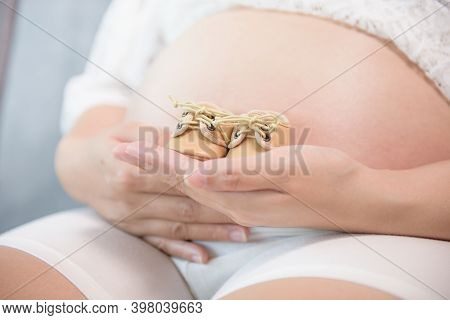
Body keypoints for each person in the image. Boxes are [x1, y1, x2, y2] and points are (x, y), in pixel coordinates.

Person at [1, 0, 449, 300]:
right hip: (140, 233)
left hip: (373, 238)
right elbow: (96, 105)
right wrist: (92, 171)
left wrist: (369, 193)